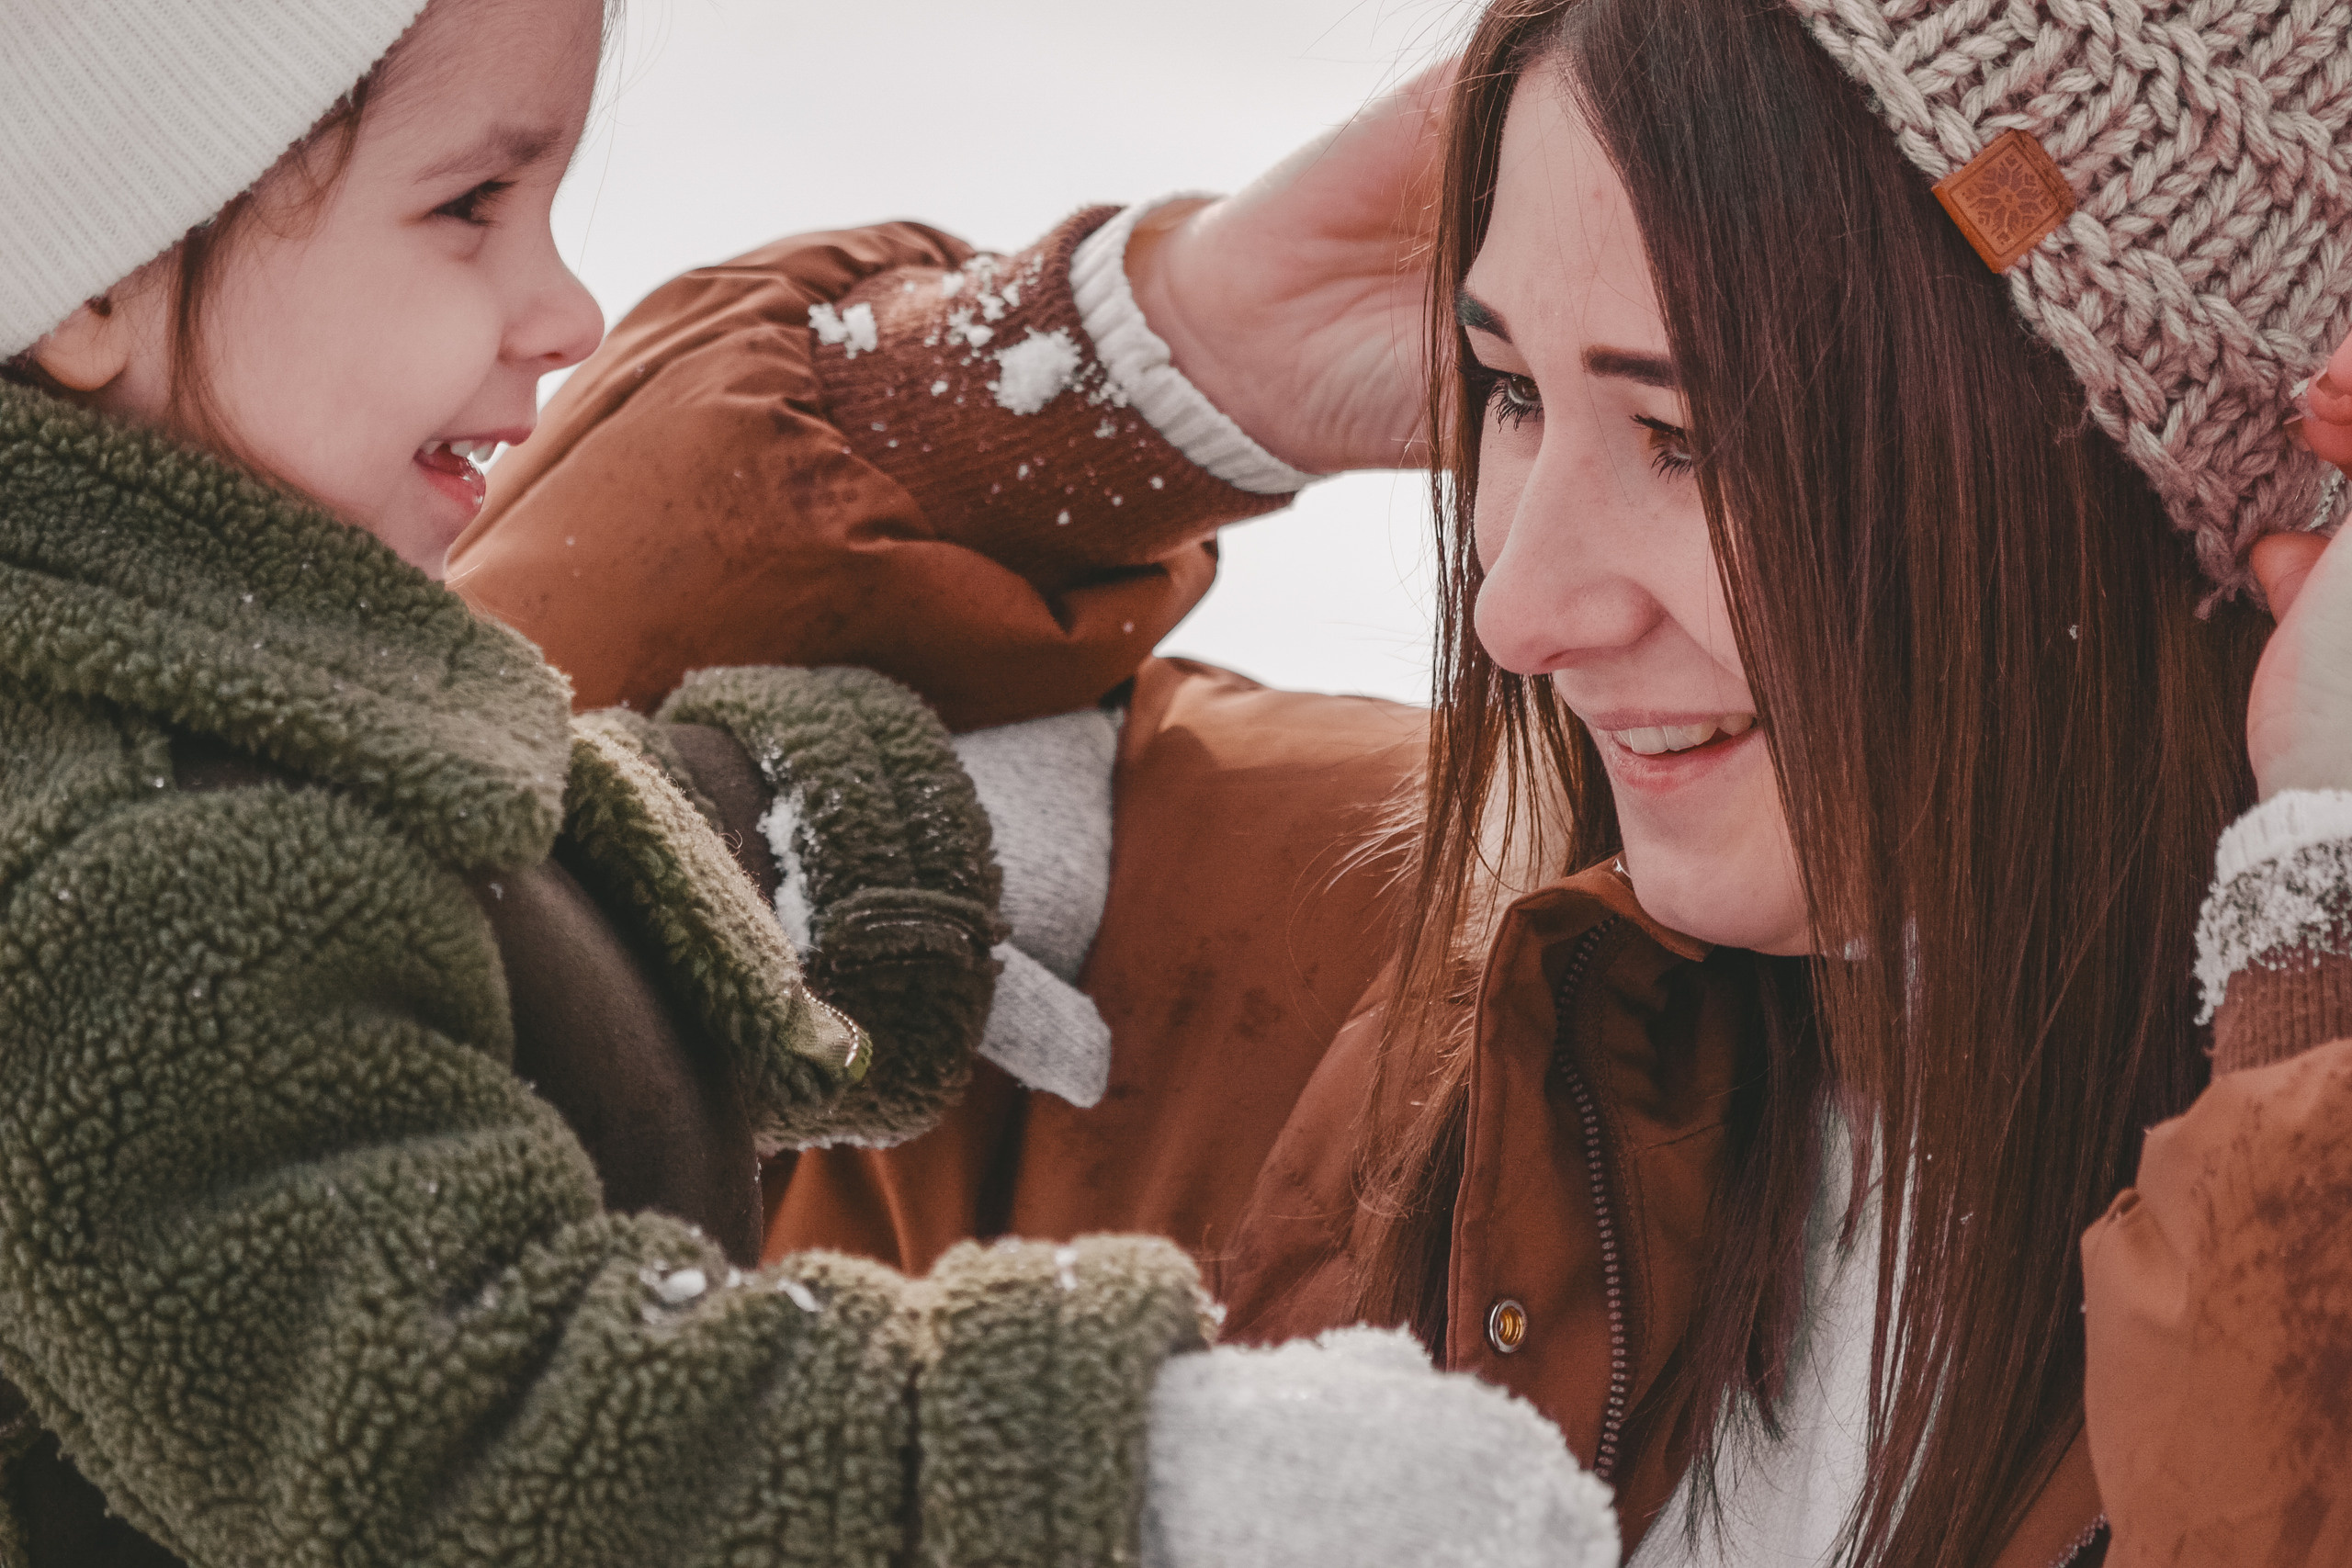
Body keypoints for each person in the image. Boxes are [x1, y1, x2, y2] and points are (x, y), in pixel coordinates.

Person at [459, 0, 2352, 1562]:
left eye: (1688, 439)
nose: (1516, 598)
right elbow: (410, 850)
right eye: (1507, 390)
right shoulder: (1338, 978)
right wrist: (1151, 355)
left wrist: (2320, 945)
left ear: (2161, 486)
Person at [0, 3, 1619, 1565]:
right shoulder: (116, 872)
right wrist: (1112, 1475)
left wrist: (819, 845)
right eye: (467, 205)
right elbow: (470, 1434)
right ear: (96, 279)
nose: (562, 307)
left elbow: (448, 902)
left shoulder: (203, 707)